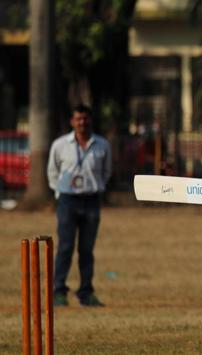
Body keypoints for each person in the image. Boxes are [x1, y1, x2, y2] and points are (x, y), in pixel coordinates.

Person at [47, 104, 112, 307]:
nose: (82, 122)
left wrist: (97, 188)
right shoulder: (60, 145)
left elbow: (106, 171)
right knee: (65, 247)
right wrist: (59, 191)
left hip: (91, 200)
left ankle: (86, 292)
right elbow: (52, 171)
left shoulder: (101, 145)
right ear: (72, 122)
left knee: (87, 249)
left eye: (85, 118)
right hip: (68, 200)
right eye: (78, 119)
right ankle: (59, 292)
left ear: (90, 120)